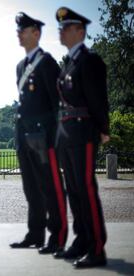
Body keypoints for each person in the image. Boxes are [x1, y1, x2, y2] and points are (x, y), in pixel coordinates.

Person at [53, 7, 109, 268]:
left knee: (86, 190)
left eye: (65, 27)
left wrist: (103, 129)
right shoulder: (68, 63)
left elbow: (98, 99)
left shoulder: (90, 61)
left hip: (83, 130)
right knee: (74, 191)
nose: (60, 31)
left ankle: (97, 247)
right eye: (60, 28)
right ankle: (82, 240)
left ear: (80, 31)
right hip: (66, 133)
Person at [10, 12, 68, 255]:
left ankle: (57, 236)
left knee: (51, 187)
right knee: (31, 188)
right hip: (25, 138)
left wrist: (55, 136)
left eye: (23, 30)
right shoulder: (21, 66)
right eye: (18, 31)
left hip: (44, 138)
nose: (19, 34)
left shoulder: (47, 63)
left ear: (36, 33)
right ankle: (35, 234)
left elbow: (58, 104)